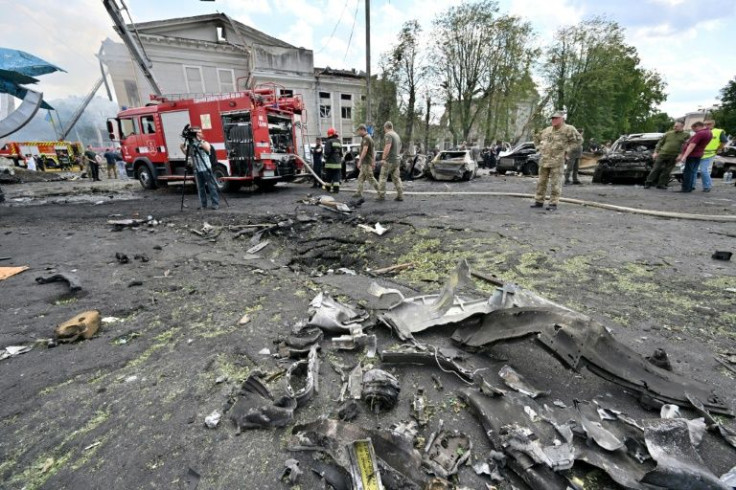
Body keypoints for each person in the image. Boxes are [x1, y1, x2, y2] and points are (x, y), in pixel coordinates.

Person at [531, 111, 582, 211]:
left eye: (556, 118)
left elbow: (578, 140)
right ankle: (539, 201)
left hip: (557, 160)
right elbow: (537, 137)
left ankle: (553, 203)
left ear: (562, 119)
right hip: (544, 159)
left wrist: (568, 150)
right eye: (552, 118)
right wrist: (538, 148)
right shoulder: (547, 130)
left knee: (555, 183)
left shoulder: (568, 129)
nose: (554, 120)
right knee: (541, 182)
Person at [181, 127, 220, 209]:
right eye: (197, 132)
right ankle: (203, 205)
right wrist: (182, 148)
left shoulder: (204, 142)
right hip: (197, 169)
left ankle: (215, 204)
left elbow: (207, 148)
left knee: (211, 186)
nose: (199, 133)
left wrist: (198, 140)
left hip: (206, 168)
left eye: (199, 132)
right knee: (200, 188)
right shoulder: (191, 144)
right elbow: (189, 154)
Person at [644, 121, 689, 189]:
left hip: (674, 155)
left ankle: (661, 184)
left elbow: (686, 146)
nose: (674, 127)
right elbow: (660, 143)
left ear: (682, 126)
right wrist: (656, 152)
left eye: (677, 126)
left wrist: (681, 155)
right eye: (674, 126)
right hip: (662, 154)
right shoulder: (668, 133)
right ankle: (648, 183)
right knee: (655, 169)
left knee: (667, 171)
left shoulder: (686, 135)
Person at [676, 121, 712, 193]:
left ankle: (686, 188)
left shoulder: (700, 133)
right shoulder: (709, 133)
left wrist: (684, 157)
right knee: (693, 171)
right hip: (698, 154)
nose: (694, 131)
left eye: (694, 129)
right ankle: (690, 187)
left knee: (688, 172)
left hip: (692, 155)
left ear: (698, 126)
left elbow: (691, 146)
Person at [698, 119, 728, 192]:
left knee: (704, 170)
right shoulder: (700, 131)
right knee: (696, 171)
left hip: (709, 154)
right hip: (698, 153)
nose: (706, 126)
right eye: (705, 124)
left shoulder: (718, 132)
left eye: (709, 124)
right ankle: (691, 186)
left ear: (713, 124)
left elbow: (724, 141)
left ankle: (707, 186)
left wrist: (718, 149)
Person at [378, 120, 404, 201]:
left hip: (389, 160)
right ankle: (400, 195)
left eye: (384, 128)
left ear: (386, 127)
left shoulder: (388, 134)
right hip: (397, 160)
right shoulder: (397, 135)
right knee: (396, 178)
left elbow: (387, 147)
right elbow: (399, 147)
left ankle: (381, 195)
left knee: (383, 177)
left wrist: (383, 158)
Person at [352, 124, 380, 198]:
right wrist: (373, 161)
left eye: (359, 131)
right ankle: (359, 192)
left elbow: (365, 150)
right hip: (367, 162)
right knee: (360, 177)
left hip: (366, 162)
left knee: (370, 178)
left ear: (362, 130)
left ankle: (381, 192)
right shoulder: (369, 137)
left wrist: (360, 161)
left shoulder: (366, 138)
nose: (358, 133)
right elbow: (373, 151)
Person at [322, 128, 343, 193]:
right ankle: (336, 190)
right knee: (336, 177)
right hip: (338, 163)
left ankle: (328, 189)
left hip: (330, 163)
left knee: (328, 177)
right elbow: (341, 153)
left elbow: (327, 152)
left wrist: (325, 157)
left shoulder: (328, 142)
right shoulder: (339, 141)